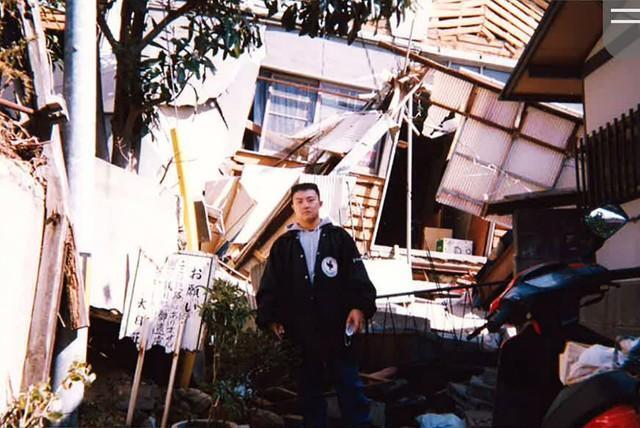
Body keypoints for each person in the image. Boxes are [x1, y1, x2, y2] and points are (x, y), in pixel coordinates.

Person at [257, 182, 377, 428]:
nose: (305, 205)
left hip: (337, 326)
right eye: (299, 201)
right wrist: (272, 318)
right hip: (300, 331)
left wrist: (358, 307)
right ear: (292, 207)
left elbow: (357, 274)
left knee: (349, 386)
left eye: (310, 200)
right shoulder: (284, 245)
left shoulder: (339, 238)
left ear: (320, 203)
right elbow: (271, 284)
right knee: (309, 392)